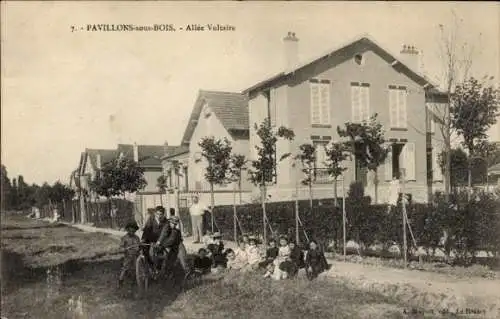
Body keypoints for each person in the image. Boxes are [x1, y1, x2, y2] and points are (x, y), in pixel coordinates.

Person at [118, 221, 141, 287]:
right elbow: (121, 247)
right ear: (128, 229)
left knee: (135, 268)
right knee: (125, 268)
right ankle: (120, 281)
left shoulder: (137, 238)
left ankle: (133, 282)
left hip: (135, 256)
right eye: (131, 229)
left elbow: (139, 246)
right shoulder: (125, 238)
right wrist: (123, 249)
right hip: (128, 256)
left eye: (134, 230)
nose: (132, 231)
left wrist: (139, 249)